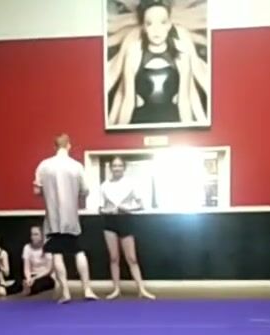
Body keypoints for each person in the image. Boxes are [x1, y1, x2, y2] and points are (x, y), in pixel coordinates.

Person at [109, 0, 207, 126]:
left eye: (162, 22)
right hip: (140, 121)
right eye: (150, 23)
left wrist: (187, 131)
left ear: (169, 25)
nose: (157, 30)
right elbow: (128, 102)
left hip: (172, 122)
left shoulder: (182, 53)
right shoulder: (133, 53)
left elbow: (184, 101)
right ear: (144, 27)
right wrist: (120, 131)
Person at [34, 134, 97, 303]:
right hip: (71, 219)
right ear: (69, 146)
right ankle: (87, 289)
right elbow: (85, 191)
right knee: (78, 251)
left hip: (53, 218)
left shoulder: (44, 165)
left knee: (57, 253)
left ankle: (66, 292)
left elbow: (36, 190)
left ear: (54, 147)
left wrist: (49, 192)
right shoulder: (77, 166)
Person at [99, 156, 155, 300]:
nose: (117, 168)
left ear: (124, 168)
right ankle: (116, 289)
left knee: (131, 258)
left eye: (119, 166)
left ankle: (141, 289)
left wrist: (127, 209)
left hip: (126, 220)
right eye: (114, 166)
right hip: (109, 221)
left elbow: (141, 205)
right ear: (110, 168)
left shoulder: (131, 183)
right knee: (113, 258)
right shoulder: (104, 185)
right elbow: (100, 208)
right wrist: (108, 211)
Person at [0, 226, 57, 297]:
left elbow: (48, 270)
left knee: (40, 284)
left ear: (42, 235)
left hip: (46, 276)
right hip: (31, 275)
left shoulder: (48, 247)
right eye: (32, 234)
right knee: (19, 283)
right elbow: (26, 268)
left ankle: (29, 290)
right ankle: (3, 290)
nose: (33, 237)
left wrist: (34, 278)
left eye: (36, 234)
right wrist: (28, 278)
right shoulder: (27, 247)